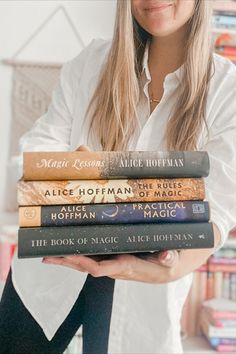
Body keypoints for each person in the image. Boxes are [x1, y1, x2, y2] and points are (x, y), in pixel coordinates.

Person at [0, 0, 236, 353]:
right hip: (48, 272)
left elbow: (216, 208)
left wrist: (168, 270)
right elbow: (37, 147)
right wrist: (70, 171)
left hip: (143, 287)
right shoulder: (90, 63)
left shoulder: (226, 91)